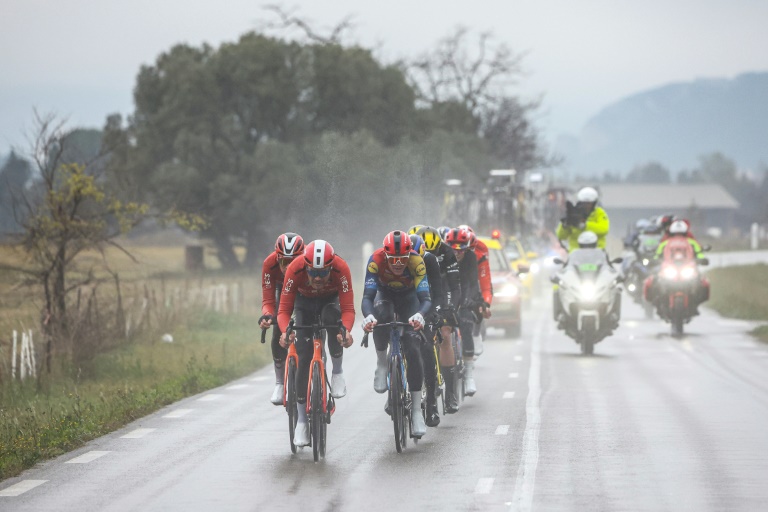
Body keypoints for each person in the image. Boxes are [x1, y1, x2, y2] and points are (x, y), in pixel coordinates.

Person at [277, 240, 355, 447]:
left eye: (323, 273)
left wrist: (345, 330)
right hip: (304, 304)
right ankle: (301, 421)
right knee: (303, 358)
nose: (318, 278)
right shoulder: (294, 269)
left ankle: (337, 371)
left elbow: (348, 309)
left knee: (333, 320)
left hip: (331, 301)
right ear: (306, 267)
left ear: (331, 266)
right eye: (313, 273)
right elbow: (284, 310)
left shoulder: (341, 268)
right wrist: (286, 332)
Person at [361, 230, 431, 438]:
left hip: (410, 298)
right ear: (386, 255)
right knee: (380, 317)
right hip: (385, 296)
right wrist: (368, 316)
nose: (399, 264)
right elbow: (367, 297)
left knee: (412, 346)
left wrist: (420, 315)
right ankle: (382, 364)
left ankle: (417, 411)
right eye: (394, 260)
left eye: (403, 259)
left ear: (410, 254)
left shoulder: (417, 262)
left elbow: (426, 298)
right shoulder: (375, 260)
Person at [420, 226, 462, 414]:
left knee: (445, 334)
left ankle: (451, 393)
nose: (430, 255)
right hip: (421, 293)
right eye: (426, 252)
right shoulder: (412, 253)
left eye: (434, 251)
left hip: (442, 292)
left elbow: (454, 286)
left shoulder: (447, 252)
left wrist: (450, 307)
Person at [260, 232, 304, 405]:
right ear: (277, 258)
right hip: (282, 289)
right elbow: (268, 300)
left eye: (293, 262)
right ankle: (279, 382)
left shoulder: (309, 259)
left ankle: (318, 359)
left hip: (304, 289)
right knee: (278, 326)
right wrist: (267, 315)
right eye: (284, 262)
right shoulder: (269, 264)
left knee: (309, 321)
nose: (288, 267)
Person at [410, 234, 443, 427]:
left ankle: (431, 402)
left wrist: (435, 313)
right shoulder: (401, 261)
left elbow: (437, 292)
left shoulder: (430, 260)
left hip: (426, 304)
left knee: (426, 347)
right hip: (406, 303)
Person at [444, 227, 481, 396]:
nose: (457, 253)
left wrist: (468, 300)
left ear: (467, 249)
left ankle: (468, 374)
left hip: (464, 291)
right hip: (448, 293)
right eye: (453, 249)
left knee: (466, 324)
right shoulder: (442, 257)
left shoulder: (471, 258)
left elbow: (472, 283)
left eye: (461, 250)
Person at [556, 187, 610, 252]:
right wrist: (564, 226)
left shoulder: (600, 213)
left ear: (594, 203)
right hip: (576, 256)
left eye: (589, 203)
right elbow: (561, 236)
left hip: (597, 254)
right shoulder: (573, 214)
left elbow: (604, 229)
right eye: (584, 203)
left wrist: (584, 225)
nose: (586, 206)